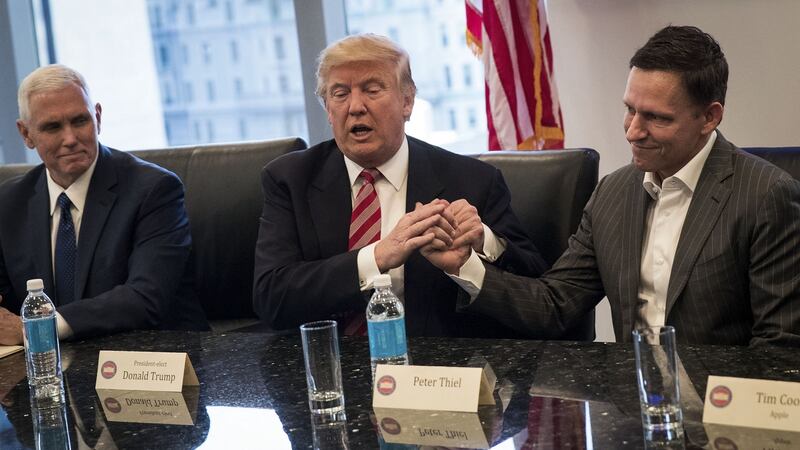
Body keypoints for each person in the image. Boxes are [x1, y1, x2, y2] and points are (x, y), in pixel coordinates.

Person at [425, 25, 800, 346]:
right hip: (634, 408)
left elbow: (778, 349)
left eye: (655, 117)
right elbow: (555, 306)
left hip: (722, 415)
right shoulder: (613, 192)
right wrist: (466, 266)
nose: (633, 131)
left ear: (709, 117)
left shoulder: (767, 196)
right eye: (630, 109)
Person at [253, 34, 547, 338]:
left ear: (407, 102)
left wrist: (481, 242)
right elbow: (272, 298)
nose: (355, 107)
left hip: (432, 371)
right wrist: (376, 258)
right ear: (328, 110)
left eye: (371, 89)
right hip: (329, 367)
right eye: (340, 94)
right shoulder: (290, 179)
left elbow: (537, 288)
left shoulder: (472, 180)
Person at [0, 64, 208, 345]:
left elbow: (144, 298)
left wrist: (39, 327)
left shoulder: (154, 190)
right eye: (52, 127)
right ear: (26, 134)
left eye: (80, 121)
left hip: (148, 365)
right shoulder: (9, 202)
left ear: (97, 117)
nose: (70, 138)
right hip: (51, 368)